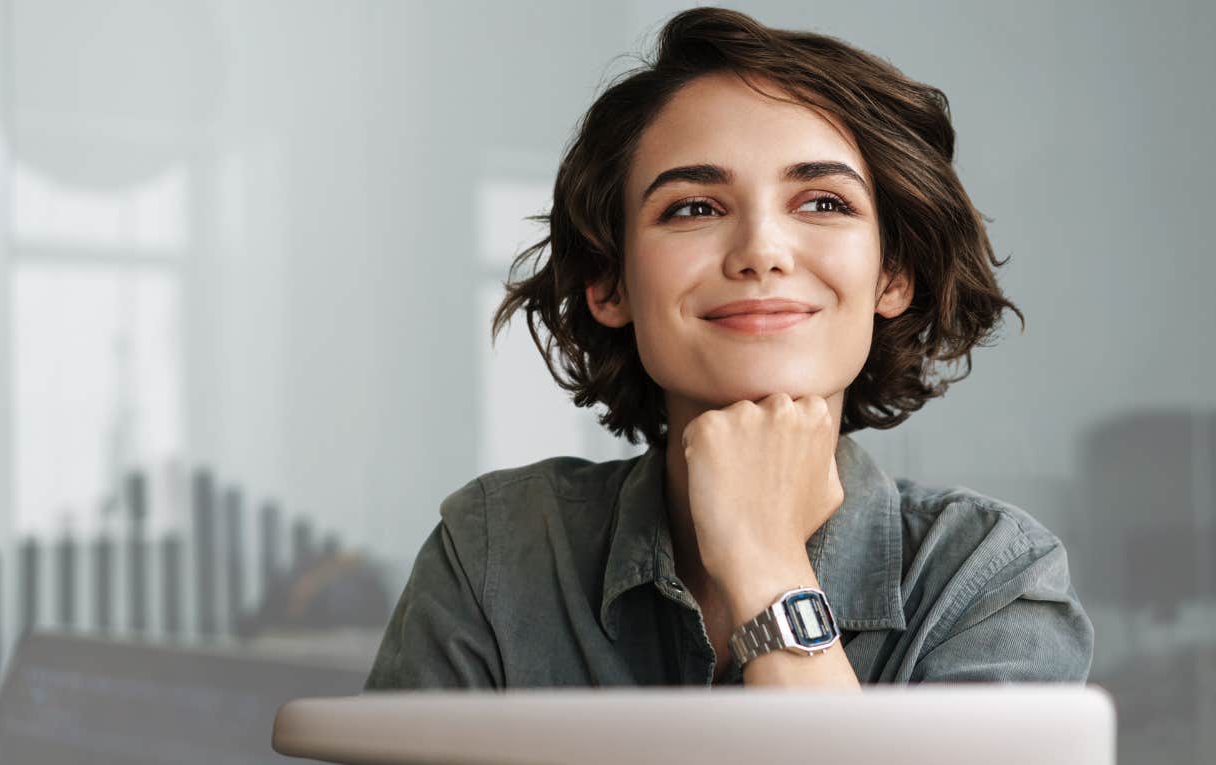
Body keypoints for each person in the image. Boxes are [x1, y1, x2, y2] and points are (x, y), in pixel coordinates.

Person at [365, 6, 1093, 690]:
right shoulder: (494, 553)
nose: (761, 252)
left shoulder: (991, 580)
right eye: (693, 207)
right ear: (608, 282)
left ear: (892, 274)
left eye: (823, 203)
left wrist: (765, 562)